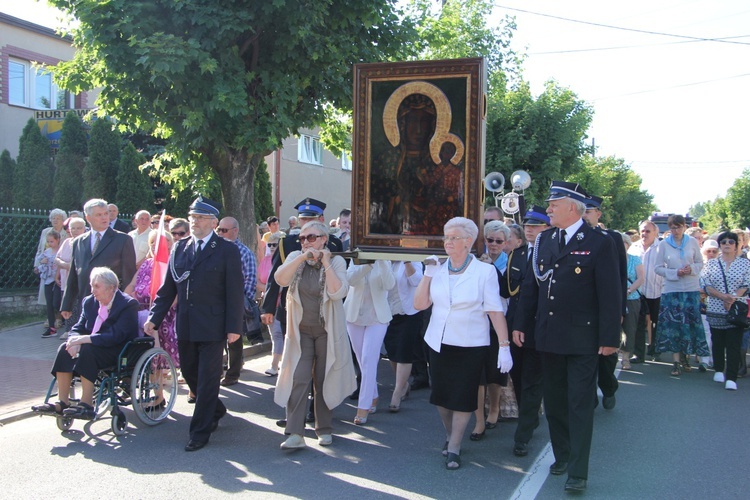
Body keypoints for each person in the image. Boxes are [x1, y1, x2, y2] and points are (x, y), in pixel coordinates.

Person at [513, 181, 622, 492]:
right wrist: (521, 324)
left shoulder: (600, 242)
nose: (548, 210)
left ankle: (578, 471)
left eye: (553, 204)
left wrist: (610, 337)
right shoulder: (545, 240)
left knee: (579, 404)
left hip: (582, 338)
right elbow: (532, 288)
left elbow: (610, 294)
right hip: (548, 336)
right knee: (556, 403)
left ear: (572, 207)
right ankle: (561, 456)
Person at [145, 196, 244, 452]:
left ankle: (199, 432)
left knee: (208, 379)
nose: (194, 222)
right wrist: (154, 318)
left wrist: (234, 327)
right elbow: (168, 288)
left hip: (213, 325)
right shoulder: (180, 247)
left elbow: (234, 291)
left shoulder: (226, 250)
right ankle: (216, 409)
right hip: (186, 323)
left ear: (213, 222)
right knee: (190, 373)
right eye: (192, 217)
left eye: (200, 218)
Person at [414, 217, 512, 471]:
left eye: (454, 237)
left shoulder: (485, 272)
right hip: (438, 342)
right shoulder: (438, 268)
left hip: (470, 344)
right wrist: (427, 275)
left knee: (463, 396)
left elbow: (494, 310)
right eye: (446, 237)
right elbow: (420, 305)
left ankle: (455, 445)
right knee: (442, 398)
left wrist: (504, 345)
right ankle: (450, 434)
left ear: (468, 242)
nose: (448, 242)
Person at [273, 221, 355, 450]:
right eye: (302, 238)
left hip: (326, 332)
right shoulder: (294, 258)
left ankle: (324, 428)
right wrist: (301, 257)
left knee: (324, 378)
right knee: (298, 378)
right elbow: (280, 279)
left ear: (323, 240)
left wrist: (326, 262)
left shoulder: (336, 261)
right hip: (300, 332)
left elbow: (338, 292)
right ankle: (294, 432)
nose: (306, 242)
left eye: (311, 238)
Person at [31, 267, 139, 419]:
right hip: (94, 346)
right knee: (65, 348)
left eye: (97, 286)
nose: (93, 290)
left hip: (118, 351)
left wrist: (84, 339)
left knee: (88, 349)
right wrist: (74, 341)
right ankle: (63, 402)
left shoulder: (128, 304)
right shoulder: (89, 302)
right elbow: (78, 327)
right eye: (91, 285)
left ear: (112, 288)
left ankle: (86, 403)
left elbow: (117, 335)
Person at [503, 205, 550, 457]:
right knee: (519, 378)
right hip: (515, 326)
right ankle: (528, 417)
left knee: (532, 381)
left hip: (539, 326)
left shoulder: (552, 252)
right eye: (528, 225)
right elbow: (507, 289)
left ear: (547, 227)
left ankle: (522, 435)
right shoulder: (518, 254)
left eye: (536, 225)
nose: (530, 229)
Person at [582, 195, 628, 410]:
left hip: (605, 309)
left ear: (598, 213)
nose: (584, 215)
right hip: (583, 311)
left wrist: (619, 310)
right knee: (584, 356)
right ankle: (588, 395)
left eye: (588, 211)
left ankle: (608, 387)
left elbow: (619, 277)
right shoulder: (572, 238)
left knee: (606, 357)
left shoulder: (611, 238)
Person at [61, 199, 137, 324]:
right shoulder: (78, 242)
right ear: (88, 218)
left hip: (112, 304)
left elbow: (129, 275)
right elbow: (74, 275)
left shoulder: (123, 240)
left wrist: (126, 304)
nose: (104, 218)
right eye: (99, 215)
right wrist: (67, 304)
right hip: (86, 303)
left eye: (105, 213)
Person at [653, 215, 710, 377]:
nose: (675, 230)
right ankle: (676, 360)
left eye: (678, 227)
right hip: (672, 290)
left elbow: (700, 263)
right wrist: (675, 272)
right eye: (672, 227)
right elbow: (657, 268)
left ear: (684, 227)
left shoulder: (691, 242)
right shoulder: (663, 244)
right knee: (674, 326)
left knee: (689, 324)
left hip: (690, 289)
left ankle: (686, 356)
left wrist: (690, 269)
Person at [344, 259, 395, 424]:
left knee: (368, 360)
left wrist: (380, 262)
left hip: (378, 318)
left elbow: (389, 285)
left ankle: (363, 406)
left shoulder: (384, 262)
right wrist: (367, 263)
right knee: (362, 361)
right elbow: (350, 280)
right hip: (353, 316)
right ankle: (373, 395)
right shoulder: (357, 259)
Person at [473, 220, 511, 439]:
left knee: (495, 372)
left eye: (498, 241)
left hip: (499, 321)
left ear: (505, 243)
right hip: (477, 320)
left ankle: (494, 409)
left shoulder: (510, 262)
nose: (494, 245)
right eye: (490, 240)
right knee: (478, 374)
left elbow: (506, 291)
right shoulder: (476, 260)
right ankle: (478, 420)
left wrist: (491, 269)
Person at [701, 231, 750, 390]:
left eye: (731, 242)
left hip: (735, 309)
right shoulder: (711, 264)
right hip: (716, 307)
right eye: (724, 242)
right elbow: (706, 285)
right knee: (718, 341)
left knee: (734, 344)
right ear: (720, 245)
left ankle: (731, 377)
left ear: (736, 245)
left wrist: (732, 298)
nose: (727, 244)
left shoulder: (745, 264)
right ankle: (718, 370)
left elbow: (746, 284)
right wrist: (723, 297)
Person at [124, 230, 180, 368]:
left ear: (168, 243)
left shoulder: (172, 264)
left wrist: (161, 310)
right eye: (152, 242)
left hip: (164, 313)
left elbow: (176, 292)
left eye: (158, 241)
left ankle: (160, 380)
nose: (155, 244)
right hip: (141, 310)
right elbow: (131, 285)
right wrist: (127, 300)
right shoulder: (146, 264)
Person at [216, 216, 258, 386]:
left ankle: (233, 374)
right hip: (216, 302)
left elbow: (250, 279)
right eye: (218, 229)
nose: (220, 233)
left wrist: (240, 302)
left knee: (234, 339)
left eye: (224, 230)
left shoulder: (244, 252)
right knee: (216, 339)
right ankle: (217, 371)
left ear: (235, 231)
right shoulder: (215, 249)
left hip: (235, 302)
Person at [383, 261, 424, 412]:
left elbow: (417, 281)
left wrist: (407, 262)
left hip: (409, 312)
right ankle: (403, 384)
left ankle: (397, 392)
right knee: (392, 351)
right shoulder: (384, 259)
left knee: (404, 352)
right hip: (388, 311)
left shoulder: (412, 259)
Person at [629, 220, 665, 363]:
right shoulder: (633, 247)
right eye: (643, 231)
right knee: (638, 323)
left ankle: (655, 349)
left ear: (655, 233)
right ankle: (639, 353)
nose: (645, 234)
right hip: (638, 292)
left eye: (648, 231)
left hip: (657, 291)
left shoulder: (661, 248)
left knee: (657, 323)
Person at [55, 217, 87, 340]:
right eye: (73, 228)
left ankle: (78, 330)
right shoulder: (66, 242)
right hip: (66, 280)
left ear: (84, 229)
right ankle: (68, 330)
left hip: (81, 282)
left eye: (79, 228)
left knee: (79, 306)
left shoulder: (86, 242)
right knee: (68, 305)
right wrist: (66, 265)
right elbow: (57, 258)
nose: (76, 230)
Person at [258, 231, 284, 376]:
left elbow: (281, 284)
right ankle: (278, 361)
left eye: (276, 244)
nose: (273, 247)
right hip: (268, 303)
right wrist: (269, 290)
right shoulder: (266, 260)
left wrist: (271, 289)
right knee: (274, 334)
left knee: (279, 333)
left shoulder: (284, 260)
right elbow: (258, 280)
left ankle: (274, 366)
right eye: (270, 244)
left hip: (281, 303)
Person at [35, 208, 68, 311]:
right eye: (53, 218)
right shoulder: (45, 232)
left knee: (59, 295)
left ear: (63, 220)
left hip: (60, 266)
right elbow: (40, 249)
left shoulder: (66, 233)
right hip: (46, 266)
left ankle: (59, 317)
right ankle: (50, 319)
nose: (55, 220)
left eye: (58, 218)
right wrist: (37, 264)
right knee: (47, 295)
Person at [620, 232, 644, 370]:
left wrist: (628, 291)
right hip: (615, 299)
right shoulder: (610, 260)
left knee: (630, 328)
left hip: (632, 298)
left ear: (628, 245)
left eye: (624, 243)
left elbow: (640, 278)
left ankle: (626, 357)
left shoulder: (635, 259)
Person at [35, 230, 62, 338]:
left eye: (52, 241)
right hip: (48, 279)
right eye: (48, 241)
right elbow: (40, 260)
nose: (50, 243)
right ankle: (52, 328)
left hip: (58, 280)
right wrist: (42, 262)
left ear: (57, 240)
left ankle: (64, 318)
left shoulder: (60, 251)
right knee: (49, 304)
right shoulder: (46, 252)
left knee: (56, 302)